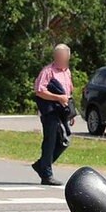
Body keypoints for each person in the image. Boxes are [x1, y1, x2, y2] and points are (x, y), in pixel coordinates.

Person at [32, 44, 75, 186]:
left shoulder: (67, 72)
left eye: (64, 57)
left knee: (64, 141)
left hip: (62, 111)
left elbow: (68, 93)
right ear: (55, 56)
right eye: (59, 57)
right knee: (50, 142)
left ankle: (42, 165)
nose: (61, 59)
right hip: (50, 111)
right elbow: (40, 91)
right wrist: (58, 98)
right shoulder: (47, 71)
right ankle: (47, 175)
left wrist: (71, 113)